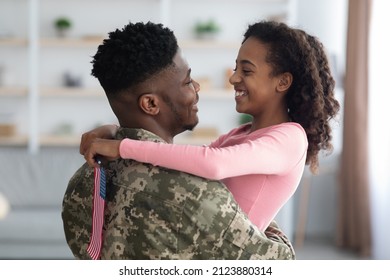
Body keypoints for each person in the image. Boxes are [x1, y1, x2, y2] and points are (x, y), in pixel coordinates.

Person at [62, 21, 295, 260]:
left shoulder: (82, 182)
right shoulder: (198, 195)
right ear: (151, 104)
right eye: (187, 82)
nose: (196, 87)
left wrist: (117, 132)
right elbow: (279, 262)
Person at [80, 20, 340, 232]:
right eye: (236, 67)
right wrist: (114, 131)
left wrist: (122, 147)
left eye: (246, 71)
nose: (233, 77)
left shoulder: (289, 139)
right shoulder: (241, 134)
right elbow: (188, 162)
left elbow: (213, 164)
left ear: (282, 82)